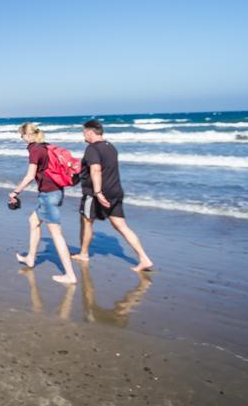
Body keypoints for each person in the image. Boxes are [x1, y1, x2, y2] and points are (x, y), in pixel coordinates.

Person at [73, 119, 154, 272]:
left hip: (96, 194)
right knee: (121, 226)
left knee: (86, 221)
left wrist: (97, 192)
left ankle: (83, 253)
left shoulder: (92, 149)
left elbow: (96, 170)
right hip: (115, 191)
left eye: (84, 132)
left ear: (90, 132)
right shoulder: (111, 147)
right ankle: (144, 258)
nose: (83, 135)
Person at [9, 122, 77, 284]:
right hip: (56, 191)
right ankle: (31, 258)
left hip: (48, 195)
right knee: (33, 221)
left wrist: (15, 191)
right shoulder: (45, 146)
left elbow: (30, 175)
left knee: (56, 234)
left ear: (28, 135)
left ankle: (70, 275)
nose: (22, 138)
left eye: (22, 135)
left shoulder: (35, 150)